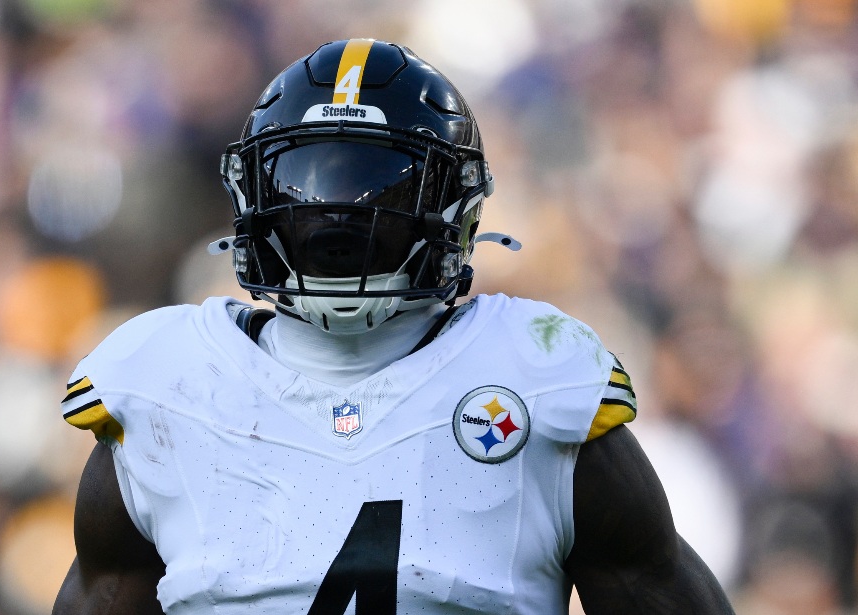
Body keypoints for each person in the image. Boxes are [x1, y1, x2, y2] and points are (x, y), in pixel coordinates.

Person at [52, 39, 735, 614]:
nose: (337, 215)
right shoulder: (165, 388)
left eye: (375, 185)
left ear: (455, 206)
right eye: (307, 182)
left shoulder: (535, 382)